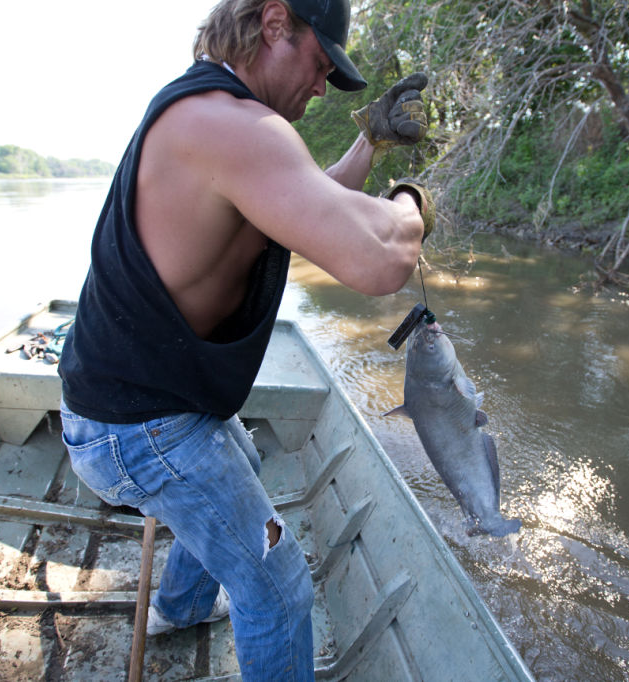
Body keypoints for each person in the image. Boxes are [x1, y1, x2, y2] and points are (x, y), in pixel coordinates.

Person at [57, 0, 433, 679]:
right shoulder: (232, 125)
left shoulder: (212, 113)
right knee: (281, 589)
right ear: (275, 23)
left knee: (246, 464)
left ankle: (180, 605)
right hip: (136, 427)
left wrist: (370, 143)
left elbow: (307, 203)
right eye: (320, 65)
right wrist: (412, 201)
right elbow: (380, 256)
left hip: (135, 401)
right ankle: (198, 600)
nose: (320, 88)